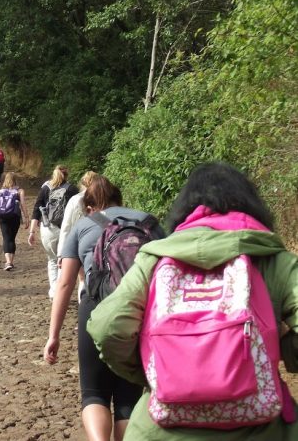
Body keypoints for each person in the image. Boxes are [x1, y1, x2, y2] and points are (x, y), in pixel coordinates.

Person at [86, 162, 298, 441]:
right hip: (262, 429)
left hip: (159, 430)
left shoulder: (155, 258)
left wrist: (156, 371)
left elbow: (107, 327)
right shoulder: (275, 260)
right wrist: (278, 346)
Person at [43, 175, 165, 441]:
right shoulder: (148, 223)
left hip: (94, 309)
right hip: (139, 314)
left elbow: (64, 284)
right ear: (119, 199)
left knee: (94, 393)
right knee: (129, 398)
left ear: (89, 207)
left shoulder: (83, 226)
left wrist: (54, 335)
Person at [28, 166, 79, 299]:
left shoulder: (46, 188)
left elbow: (36, 210)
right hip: (66, 230)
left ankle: (54, 292)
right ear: (66, 175)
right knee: (64, 261)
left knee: (52, 260)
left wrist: (32, 231)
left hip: (48, 229)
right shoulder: (72, 189)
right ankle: (61, 292)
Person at [57, 171, 99, 302]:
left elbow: (66, 227)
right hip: (96, 244)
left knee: (82, 279)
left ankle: (84, 307)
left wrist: (61, 253)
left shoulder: (75, 200)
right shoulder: (101, 200)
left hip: (78, 243)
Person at [0, 172, 29, 271]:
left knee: (6, 238)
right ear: (15, 179)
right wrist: (26, 217)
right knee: (12, 238)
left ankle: (7, 262)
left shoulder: (1, 191)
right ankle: (11, 262)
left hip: (3, 217)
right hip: (15, 216)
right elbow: (22, 204)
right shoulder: (19, 191)